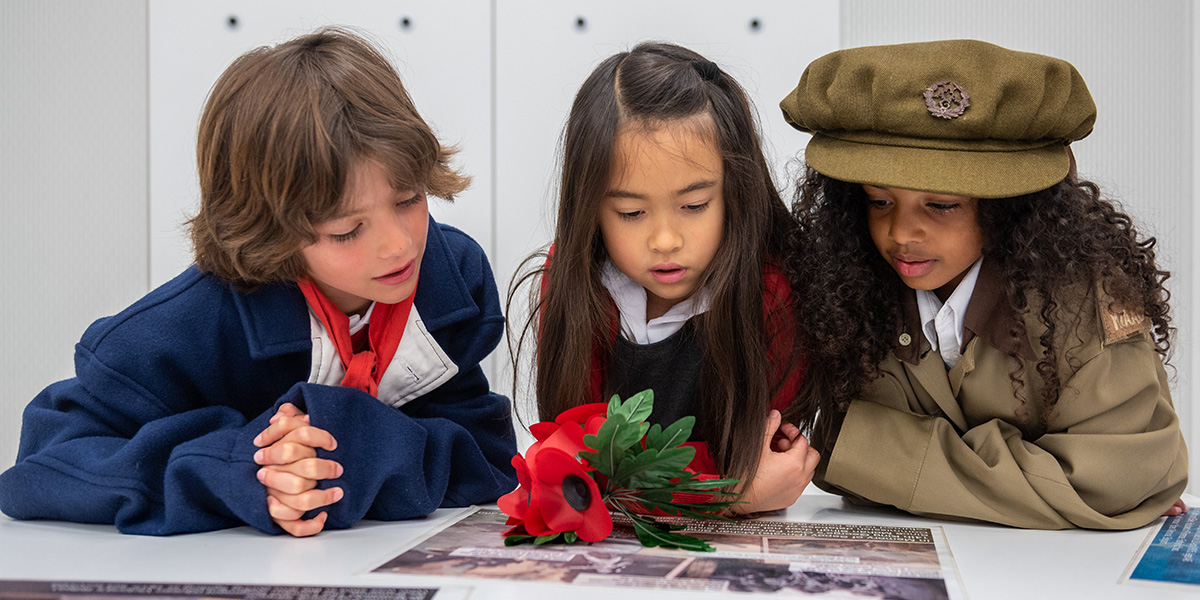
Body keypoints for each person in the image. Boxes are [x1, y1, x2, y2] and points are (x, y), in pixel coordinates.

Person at [0, 27, 517, 537]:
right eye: (346, 230)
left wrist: (344, 446)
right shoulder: (188, 327)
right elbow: (44, 462)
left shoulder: (452, 280)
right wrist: (241, 470)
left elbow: (489, 457)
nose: (399, 245)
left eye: (408, 200)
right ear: (271, 229)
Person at [780, 39, 1188, 529]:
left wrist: (863, 455)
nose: (901, 233)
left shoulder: (1086, 300)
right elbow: (821, 440)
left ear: (1009, 208)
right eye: (878, 201)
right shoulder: (846, 294)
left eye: (943, 205)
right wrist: (1042, 485)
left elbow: (1117, 479)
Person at [508, 42, 820, 514]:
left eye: (694, 206)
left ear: (735, 191)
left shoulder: (773, 295)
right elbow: (586, 471)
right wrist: (728, 496)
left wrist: (732, 484)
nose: (666, 239)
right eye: (631, 212)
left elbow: (768, 460)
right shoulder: (576, 285)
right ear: (591, 209)